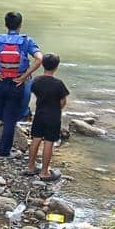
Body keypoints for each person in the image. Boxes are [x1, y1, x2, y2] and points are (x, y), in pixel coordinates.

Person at [0, 12, 44, 158]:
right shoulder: (26, 41)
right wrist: (25, 76)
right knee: (10, 118)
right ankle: (4, 153)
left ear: (5, 24)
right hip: (16, 83)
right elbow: (39, 58)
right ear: (20, 25)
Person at [28, 54, 69, 182]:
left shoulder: (36, 80)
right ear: (56, 67)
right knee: (49, 142)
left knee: (36, 139)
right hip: (53, 116)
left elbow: (35, 93)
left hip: (39, 114)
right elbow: (63, 101)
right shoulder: (58, 84)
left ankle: (31, 167)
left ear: (42, 65)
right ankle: (44, 172)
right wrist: (57, 108)